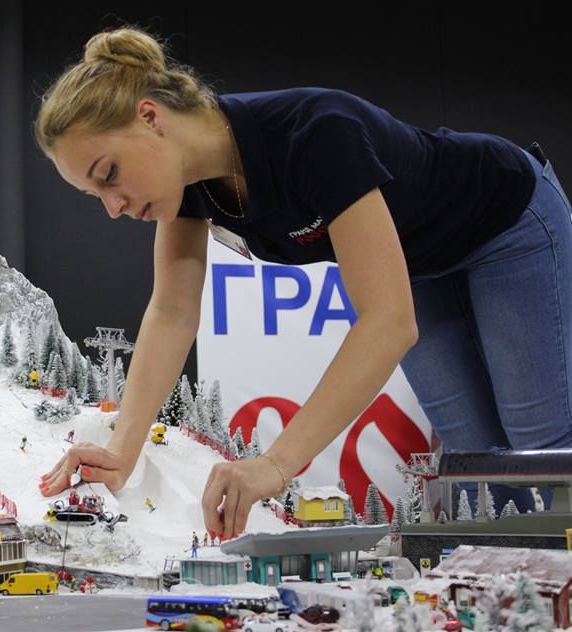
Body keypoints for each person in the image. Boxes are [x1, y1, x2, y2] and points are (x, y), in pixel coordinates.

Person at [35, 26, 572, 540]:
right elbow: (173, 312)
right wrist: (123, 450)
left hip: (508, 221)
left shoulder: (313, 131)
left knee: (540, 447)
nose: (113, 207)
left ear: (150, 117)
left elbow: (388, 322)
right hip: (421, 262)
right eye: (95, 195)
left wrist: (277, 463)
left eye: (108, 175)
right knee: (476, 462)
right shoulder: (189, 189)